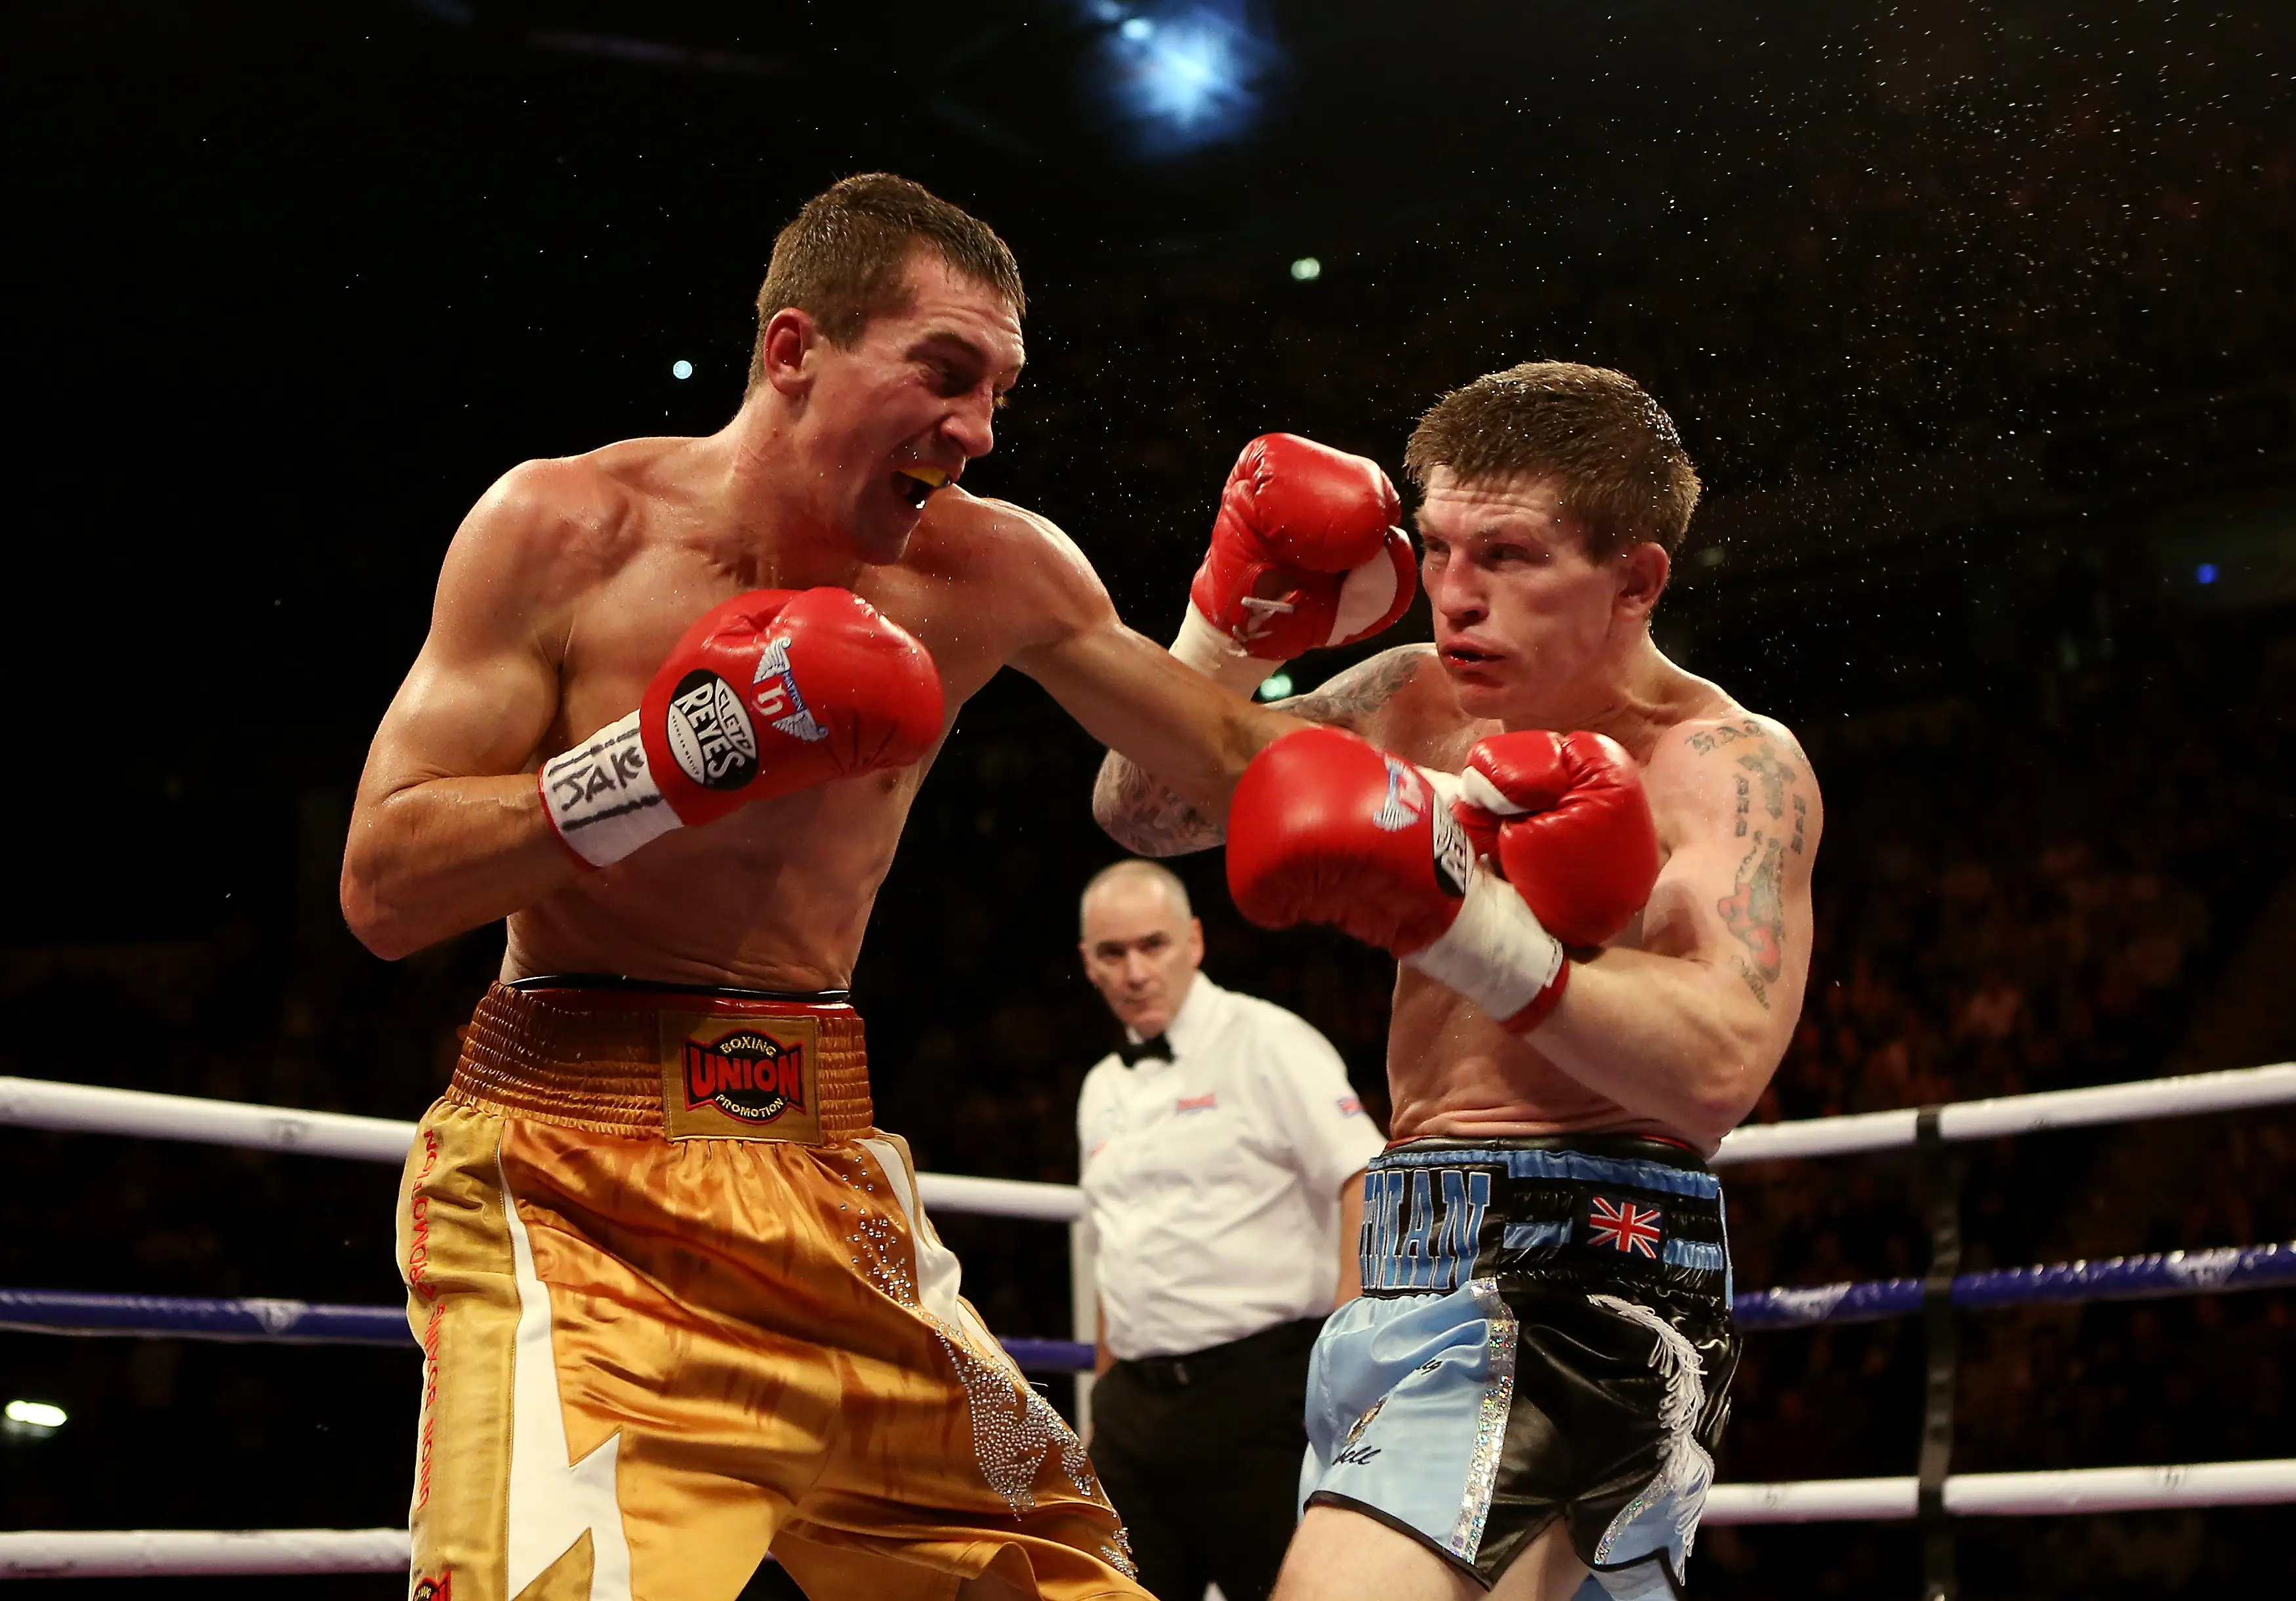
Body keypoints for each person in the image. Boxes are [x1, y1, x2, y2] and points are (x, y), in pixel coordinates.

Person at [340, 175, 1410, 1601]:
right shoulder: (563, 529)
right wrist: (668, 759)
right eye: (944, 373)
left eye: (998, 396)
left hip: (831, 1175)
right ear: (795, 352)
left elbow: (1229, 765)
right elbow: (386, 881)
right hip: (571, 1179)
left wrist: (1424, 702)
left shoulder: (994, 565)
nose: (973, 430)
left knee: (1061, 1582)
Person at [1092, 362, 1823, 1600]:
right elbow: (1146, 808)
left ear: (1635, 580)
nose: (1455, 596)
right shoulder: (1402, 698)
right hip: (1400, 1270)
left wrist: (1458, 921)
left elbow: (1716, 1067)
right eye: (1435, 549)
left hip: (1580, 1287)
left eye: (1510, 556)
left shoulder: (1724, 766)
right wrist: (1224, 634)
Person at [1073, 860, 1382, 1601]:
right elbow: (1119, 1240)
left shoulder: (1265, 1040)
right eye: (1112, 953)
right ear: (1087, 963)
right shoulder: (1099, 1087)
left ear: (1195, 941)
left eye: (1153, 945)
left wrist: (1342, 1355)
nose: (1136, 971)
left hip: (1259, 1399)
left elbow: (1363, 1177)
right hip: (1133, 1417)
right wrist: (1108, 1394)